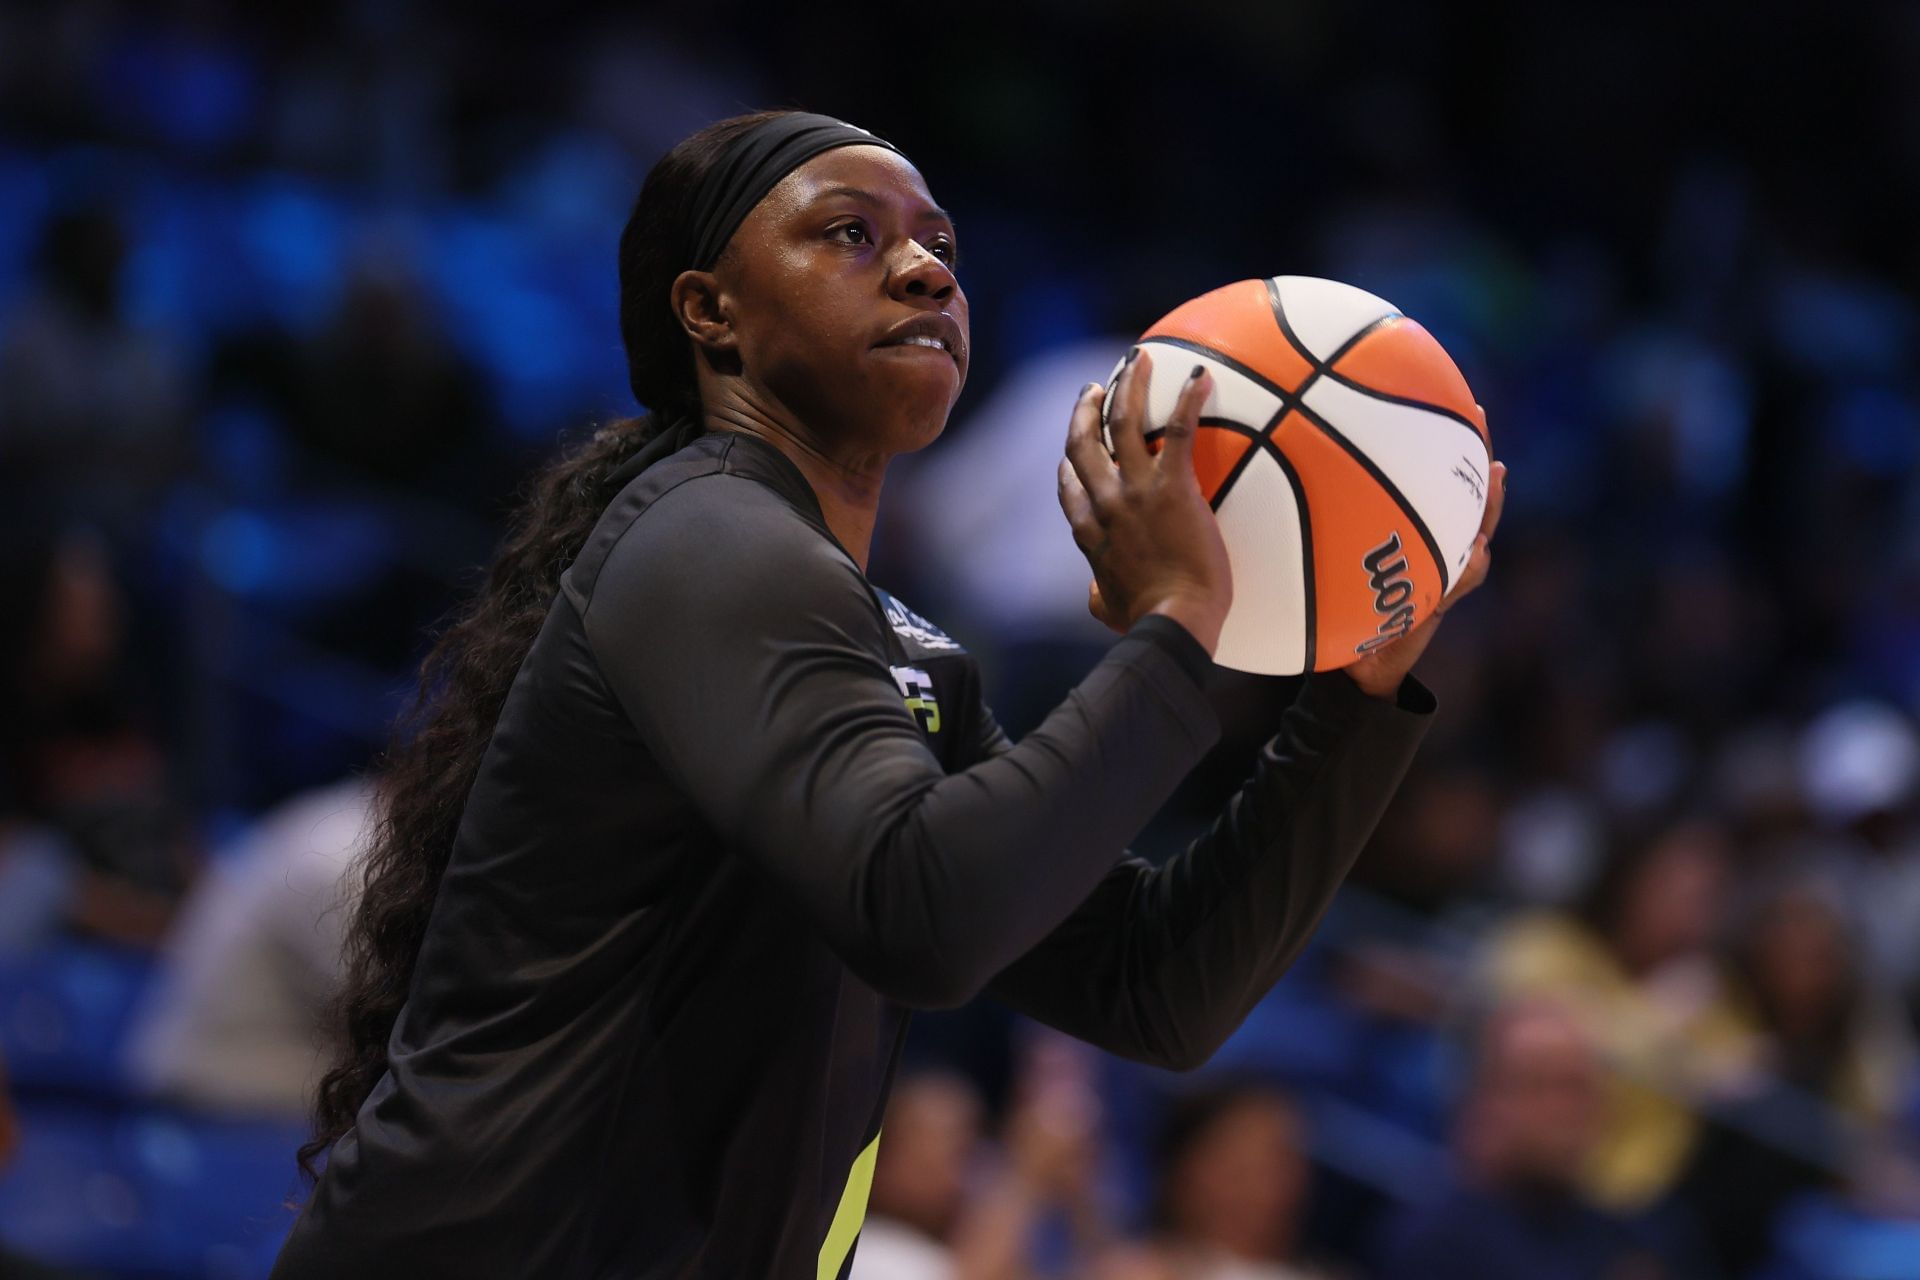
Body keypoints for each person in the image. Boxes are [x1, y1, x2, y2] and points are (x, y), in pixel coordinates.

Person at [273, 108, 1502, 1277]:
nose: (924, 268)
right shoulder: (708, 534)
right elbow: (925, 915)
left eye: (942, 248)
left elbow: (1155, 985)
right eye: (851, 232)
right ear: (713, 314)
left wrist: (1354, 691)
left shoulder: (903, 651)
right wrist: (1184, 624)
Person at [1376, 999, 1702, 1280]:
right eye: (1545, 1086)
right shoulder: (1433, 1241)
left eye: (1583, 1088)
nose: (1570, 1110)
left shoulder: (1639, 1237)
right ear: (1487, 1098)